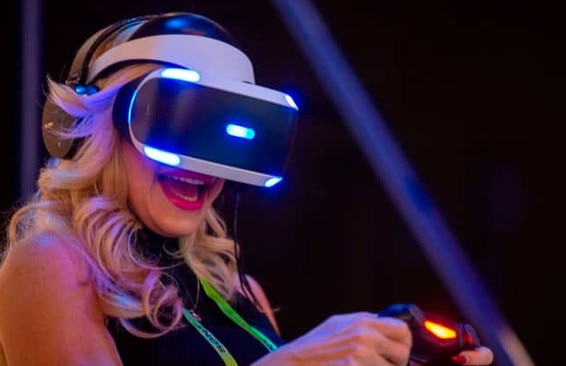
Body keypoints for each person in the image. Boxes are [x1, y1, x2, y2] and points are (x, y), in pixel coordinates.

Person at [0, 11, 493, 366]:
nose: (206, 166)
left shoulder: (239, 291)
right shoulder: (52, 263)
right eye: (183, 123)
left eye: (228, 138)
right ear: (92, 125)